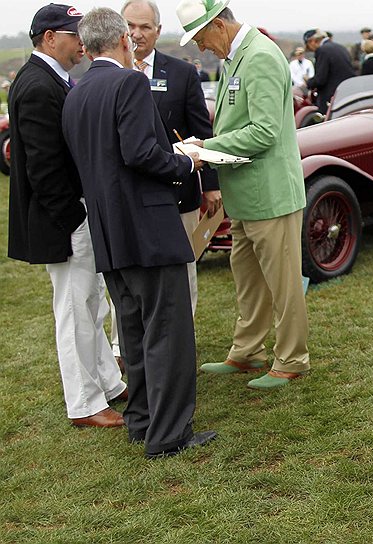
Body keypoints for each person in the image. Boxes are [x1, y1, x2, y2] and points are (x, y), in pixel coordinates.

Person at [62, 7, 215, 458]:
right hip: (148, 227)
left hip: (109, 230)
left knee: (133, 331)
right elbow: (140, 153)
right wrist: (188, 161)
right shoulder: (129, 82)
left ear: (88, 47)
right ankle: (169, 435)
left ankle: (142, 420)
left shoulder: (76, 91)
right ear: (125, 41)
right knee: (167, 330)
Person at [177, 0, 311, 390]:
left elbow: (265, 131)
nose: (203, 49)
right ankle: (248, 350)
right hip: (246, 196)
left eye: (202, 39)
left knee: (283, 283)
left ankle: (293, 358)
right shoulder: (237, 57)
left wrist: (206, 147)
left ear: (219, 25)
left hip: (270, 196)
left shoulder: (261, 56)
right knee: (249, 280)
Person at [7, 3, 127, 429]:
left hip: (73, 217)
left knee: (92, 306)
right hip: (64, 222)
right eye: (73, 34)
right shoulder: (38, 86)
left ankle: (109, 385)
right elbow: (44, 168)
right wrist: (74, 216)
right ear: (49, 38)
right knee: (76, 311)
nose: (81, 42)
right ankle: (85, 404)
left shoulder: (52, 79)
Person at [122, 0, 220, 320]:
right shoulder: (109, 75)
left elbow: (201, 130)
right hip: (128, 196)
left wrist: (211, 185)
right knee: (129, 275)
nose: (137, 34)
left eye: (145, 27)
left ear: (158, 31)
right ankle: (125, 346)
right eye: (130, 26)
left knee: (183, 271)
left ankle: (183, 341)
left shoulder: (181, 74)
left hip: (179, 192)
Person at [305, 27, 355, 111]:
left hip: (331, 96)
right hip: (346, 92)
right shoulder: (340, 47)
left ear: (312, 41)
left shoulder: (322, 50)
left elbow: (320, 79)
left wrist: (309, 82)